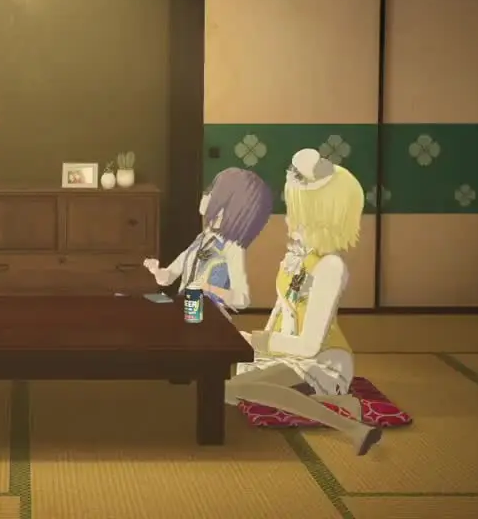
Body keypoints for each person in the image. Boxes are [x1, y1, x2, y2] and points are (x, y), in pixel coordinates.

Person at [224, 148, 382, 455]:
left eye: (298, 210)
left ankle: (353, 428)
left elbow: (310, 346)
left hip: (321, 359)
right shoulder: (296, 258)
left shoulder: (330, 266)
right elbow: (281, 311)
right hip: (285, 349)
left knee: (232, 388)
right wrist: (256, 343)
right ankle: (339, 404)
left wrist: (256, 340)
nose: (289, 218)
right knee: (226, 381)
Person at [144, 167, 272, 315]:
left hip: (209, 316)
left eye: (213, 192)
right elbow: (168, 278)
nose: (205, 195)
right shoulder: (202, 238)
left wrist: (208, 288)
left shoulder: (232, 248)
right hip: (186, 311)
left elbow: (242, 300)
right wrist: (156, 271)